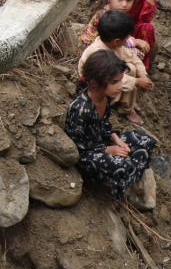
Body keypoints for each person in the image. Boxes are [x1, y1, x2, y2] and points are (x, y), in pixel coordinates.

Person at [65, 49, 157, 203]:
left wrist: (116, 139)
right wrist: (106, 150)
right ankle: (117, 186)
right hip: (88, 155)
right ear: (95, 83)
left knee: (147, 141)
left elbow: (105, 125)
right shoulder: (80, 108)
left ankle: (125, 174)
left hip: (102, 141)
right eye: (115, 82)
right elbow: (77, 145)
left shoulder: (104, 97)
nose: (120, 86)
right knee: (123, 165)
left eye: (120, 80)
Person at [78, 11, 152, 124]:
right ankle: (126, 108)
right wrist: (137, 81)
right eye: (126, 38)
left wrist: (143, 74)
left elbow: (132, 57)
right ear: (116, 41)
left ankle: (126, 100)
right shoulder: (99, 53)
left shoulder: (113, 45)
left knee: (132, 67)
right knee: (131, 73)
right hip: (95, 83)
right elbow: (109, 78)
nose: (128, 41)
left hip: (108, 76)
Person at [78, 0, 152, 57]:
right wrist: (135, 42)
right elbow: (111, 41)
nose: (124, 4)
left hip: (109, 45)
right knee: (135, 55)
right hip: (93, 51)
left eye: (129, 0)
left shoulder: (119, 12)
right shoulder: (105, 16)